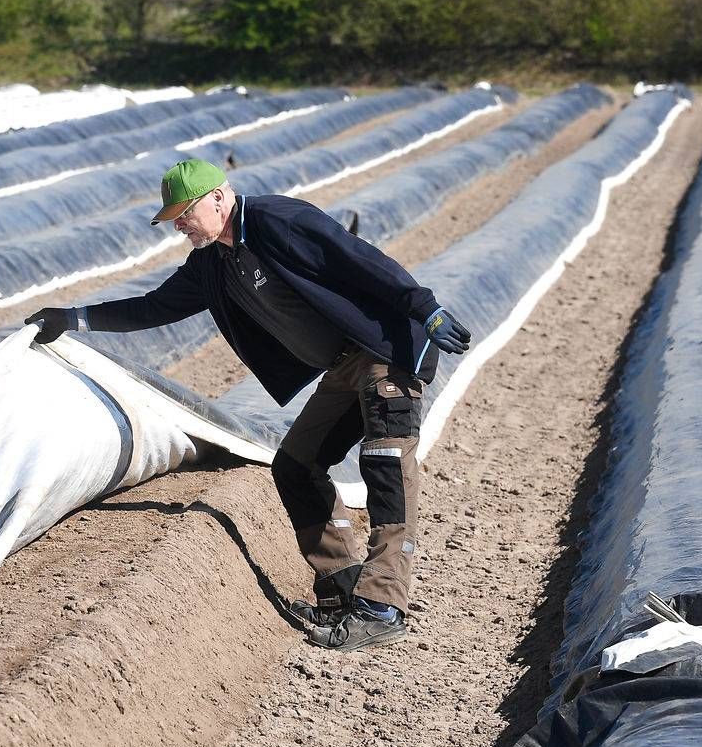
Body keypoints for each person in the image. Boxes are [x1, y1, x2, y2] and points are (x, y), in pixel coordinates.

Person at [27, 159, 472, 653]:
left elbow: (357, 257)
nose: (179, 225)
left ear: (219, 197)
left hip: (387, 350)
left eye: (185, 212)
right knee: (296, 466)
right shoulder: (212, 264)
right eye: (173, 217)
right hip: (345, 364)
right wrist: (73, 317)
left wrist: (423, 306)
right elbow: (153, 307)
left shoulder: (277, 221)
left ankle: (383, 605)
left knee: (385, 460)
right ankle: (344, 589)